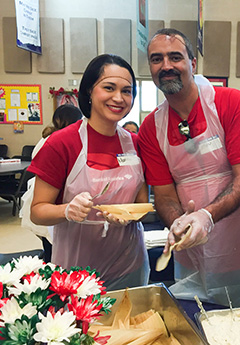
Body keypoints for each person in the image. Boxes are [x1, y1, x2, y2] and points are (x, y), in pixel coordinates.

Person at [138, 28, 240, 307]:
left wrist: (206, 216)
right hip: (193, 253)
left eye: (175, 57)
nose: (166, 66)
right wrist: (179, 223)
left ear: (192, 63)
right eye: (156, 59)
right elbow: (164, 196)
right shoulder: (151, 128)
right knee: (198, 322)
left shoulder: (229, 103)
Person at [28, 54, 150, 291]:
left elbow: (142, 205)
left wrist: (128, 215)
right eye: (109, 87)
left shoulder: (136, 144)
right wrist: (67, 210)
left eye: (127, 91)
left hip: (129, 265)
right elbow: (37, 212)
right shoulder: (61, 144)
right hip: (77, 271)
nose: (119, 98)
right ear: (89, 92)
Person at [21, 104, 83, 263]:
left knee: (50, 244)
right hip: (47, 197)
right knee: (53, 247)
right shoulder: (57, 141)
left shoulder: (47, 136)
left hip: (43, 196)